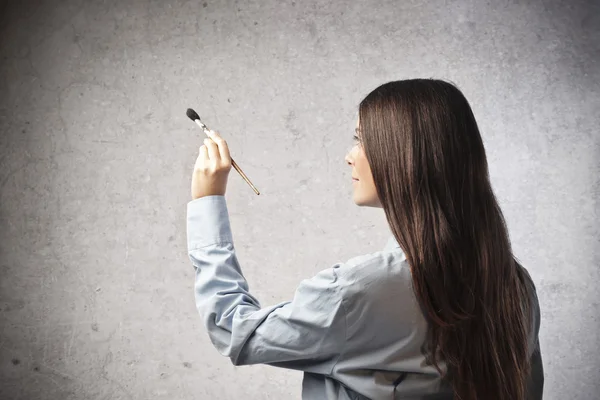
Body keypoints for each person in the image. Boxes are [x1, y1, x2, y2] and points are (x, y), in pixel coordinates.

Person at [186, 78, 544, 400]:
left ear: (404, 157)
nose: (348, 156)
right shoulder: (516, 285)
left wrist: (207, 202)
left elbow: (234, 330)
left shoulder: (356, 292)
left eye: (361, 139)